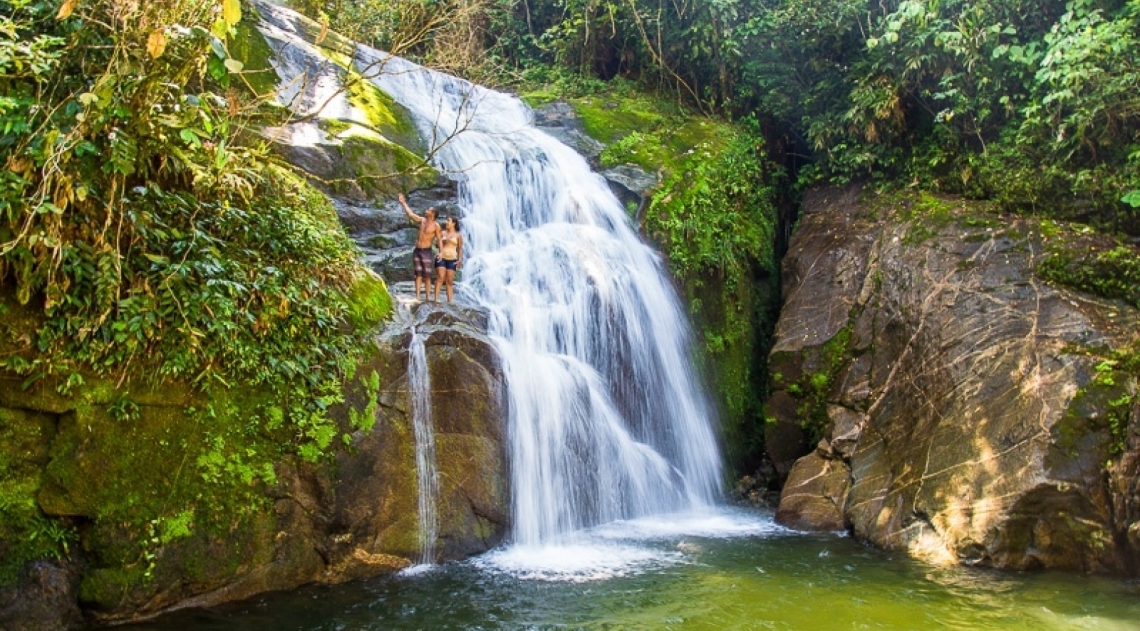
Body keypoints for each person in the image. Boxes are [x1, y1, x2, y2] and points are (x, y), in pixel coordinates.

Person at [398, 193, 441, 301]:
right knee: (418, 274)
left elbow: (439, 239)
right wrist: (403, 203)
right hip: (417, 250)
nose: (426, 210)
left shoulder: (436, 226)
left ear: (433, 214)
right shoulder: (422, 220)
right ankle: (417, 296)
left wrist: (441, 252)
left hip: (426, 251)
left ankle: (427, 297)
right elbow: (411, 214)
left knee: (427, 275)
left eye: (429, 210)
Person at [434, 216, 464, 303]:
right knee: (440, 278)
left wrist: (460, 259)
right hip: (442, 257)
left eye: (448, 221)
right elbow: (437, 245)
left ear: (453, 223)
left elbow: (460, 248)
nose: (446, 222)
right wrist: (444, 240)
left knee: (449, 281)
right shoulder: (443, 233)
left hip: (452, 259)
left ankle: (449, 301)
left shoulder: (458, 235)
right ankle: (436, 299)